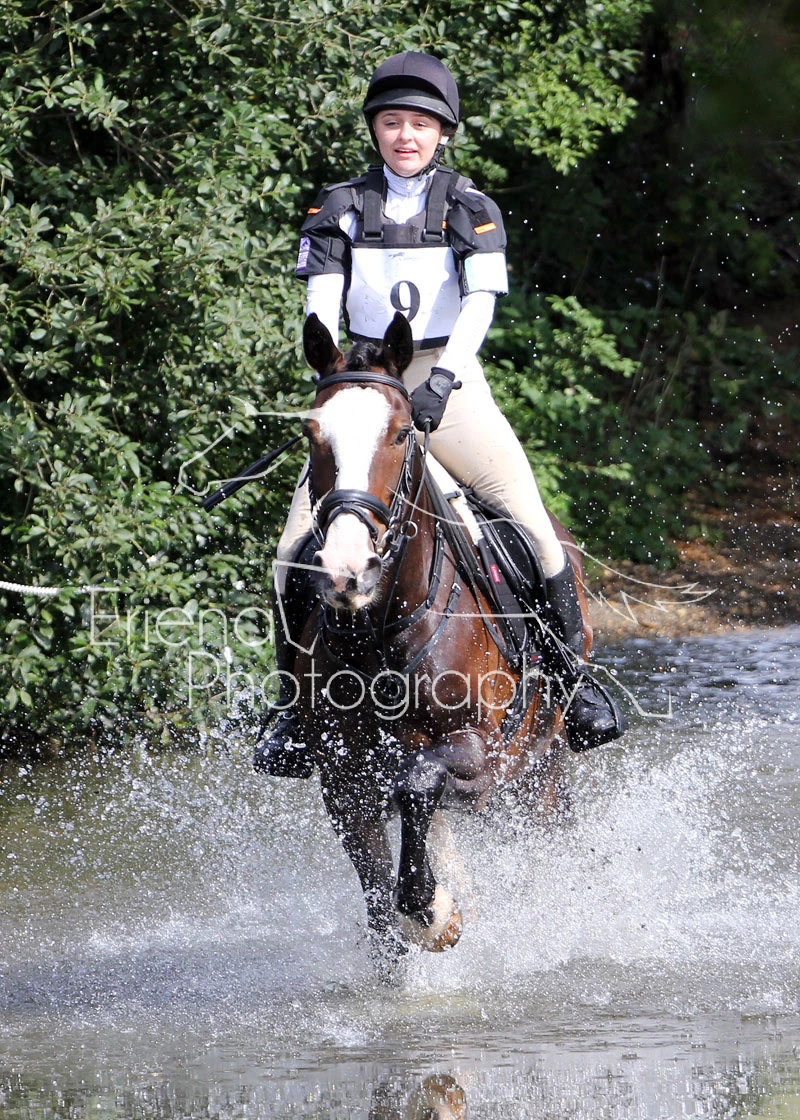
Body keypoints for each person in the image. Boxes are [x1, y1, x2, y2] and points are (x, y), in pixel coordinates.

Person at [254, 52, 625, 777]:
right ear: (375, 128)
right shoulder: (337, 206)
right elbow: (321, 302)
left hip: (445, 377)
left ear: (442, 133)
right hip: (364, 380)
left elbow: (479, 302)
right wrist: (335, 373)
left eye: (420, 124)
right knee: (291, 550)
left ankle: (572, 685)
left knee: (530, 524)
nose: (405, 135)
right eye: (392, 122)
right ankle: (293, 710)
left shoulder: (470, 207)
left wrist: (445, 376)